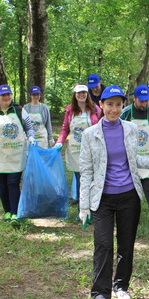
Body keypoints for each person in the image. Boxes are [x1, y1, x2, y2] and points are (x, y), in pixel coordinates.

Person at [79, 85, 149, 299]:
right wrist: (84, 206)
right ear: (101, 105)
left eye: (118, 104)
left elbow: (133, 159)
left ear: (123, 105)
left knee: (126, 244)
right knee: (103, 245)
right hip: (102, 199)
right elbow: (86, 171)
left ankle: (121, 286)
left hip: (128, 196)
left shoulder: (131, 129)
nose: (114, 109)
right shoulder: (90, 134)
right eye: (109, 104)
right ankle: (101, 297)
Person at [0, 84, 35, 224]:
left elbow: (29, 129)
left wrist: (31, 138)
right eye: (3, 95)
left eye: (8, 95)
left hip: (16, 154)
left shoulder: (20, 111)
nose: (6, 97)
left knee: (13, 183)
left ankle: (16, 213)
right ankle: (7, 212)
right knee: (2, 185)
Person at [55, 84, 102, 215]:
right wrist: (59, 142)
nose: (81, 95)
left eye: (83, 93)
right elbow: (65, 129)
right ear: (75, 95)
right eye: (78, 93)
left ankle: (93, 208)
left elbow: (99, 129)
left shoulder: (95, 110)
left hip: (91, 151)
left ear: (87, 94)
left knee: (91, 180)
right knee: (80, 181)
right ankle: (82, 210)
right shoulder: (70, 111)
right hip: (75, 151)